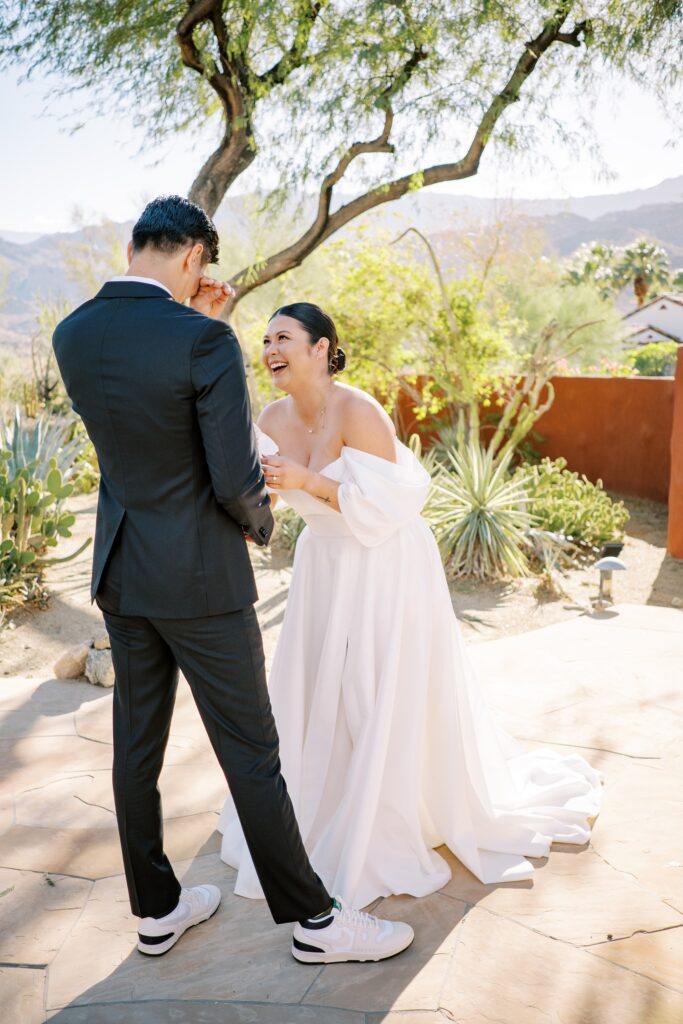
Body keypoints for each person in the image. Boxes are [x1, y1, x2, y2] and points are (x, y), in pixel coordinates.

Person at [52, 197, 414, 965]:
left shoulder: (72, 333)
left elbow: (141, 436)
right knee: (250, 751)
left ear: (135, 244)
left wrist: (205, 323)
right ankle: (317, 924)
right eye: (203, 268)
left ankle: (156, 910)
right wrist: (263, 522)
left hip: (122, 570)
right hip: (202, 582)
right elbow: (230, 471)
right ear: (193, 257)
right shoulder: (203, 340)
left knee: (134, 749)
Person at [218, 301, 603, 908]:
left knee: (378, 688)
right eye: (265, 340)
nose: (269, 350)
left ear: (321, 348)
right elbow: (263, 493)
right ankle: (327, 802)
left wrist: (308, 481)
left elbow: (394, 505)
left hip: (387, 562)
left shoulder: (360, 410)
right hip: (326, 565)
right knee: (324, 686)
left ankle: (391, 809)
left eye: (283, 338)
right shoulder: (268, 416)